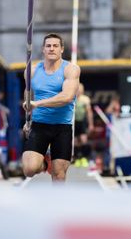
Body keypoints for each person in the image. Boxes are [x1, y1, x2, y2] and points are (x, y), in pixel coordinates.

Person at [22, 33, 80, 182]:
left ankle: (57, 205)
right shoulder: (31, 71)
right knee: (29, 170)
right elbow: (28, 96)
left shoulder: (71, 69)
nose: (52, 49)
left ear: (61, 49)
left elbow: (66, 97)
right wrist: (27, 120)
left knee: (58, 175)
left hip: (62, 127)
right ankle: (44, 163)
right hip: (40, 125)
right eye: (48, 46)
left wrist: (38, 104)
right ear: (43, 49)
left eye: (55, 46)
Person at [73, 83, 93, 167]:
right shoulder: (72, 98)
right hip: (74, 122)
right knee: (76, 141)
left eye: (80, 90)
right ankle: (77, 158)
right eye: (77, 90)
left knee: (83, 139)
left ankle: (84, 158)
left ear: (82, 90)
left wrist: (91, 124)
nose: (78, 92)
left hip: (82, 121)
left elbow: (89, 112)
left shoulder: (85, 99)